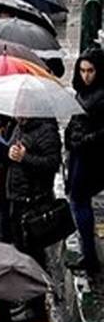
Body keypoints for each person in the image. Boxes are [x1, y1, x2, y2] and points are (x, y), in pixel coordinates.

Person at [5, 115, 61, 268]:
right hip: (16, 197)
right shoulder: (19, 127)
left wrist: (25, 158)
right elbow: (8, 147)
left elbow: (52, 164)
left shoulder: (47, 131)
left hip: (34, 202)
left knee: (34, 253)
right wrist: (10, 152)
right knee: (19, 247)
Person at [67, 47, 104, 277]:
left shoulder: (101, 96)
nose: (86, 75)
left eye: (90, 71)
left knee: (79, 201)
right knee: (78, 200)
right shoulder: (83, 92)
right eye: (82, 70)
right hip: (79, 153)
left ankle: (90, 257)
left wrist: (84, 140)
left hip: (92, 156)